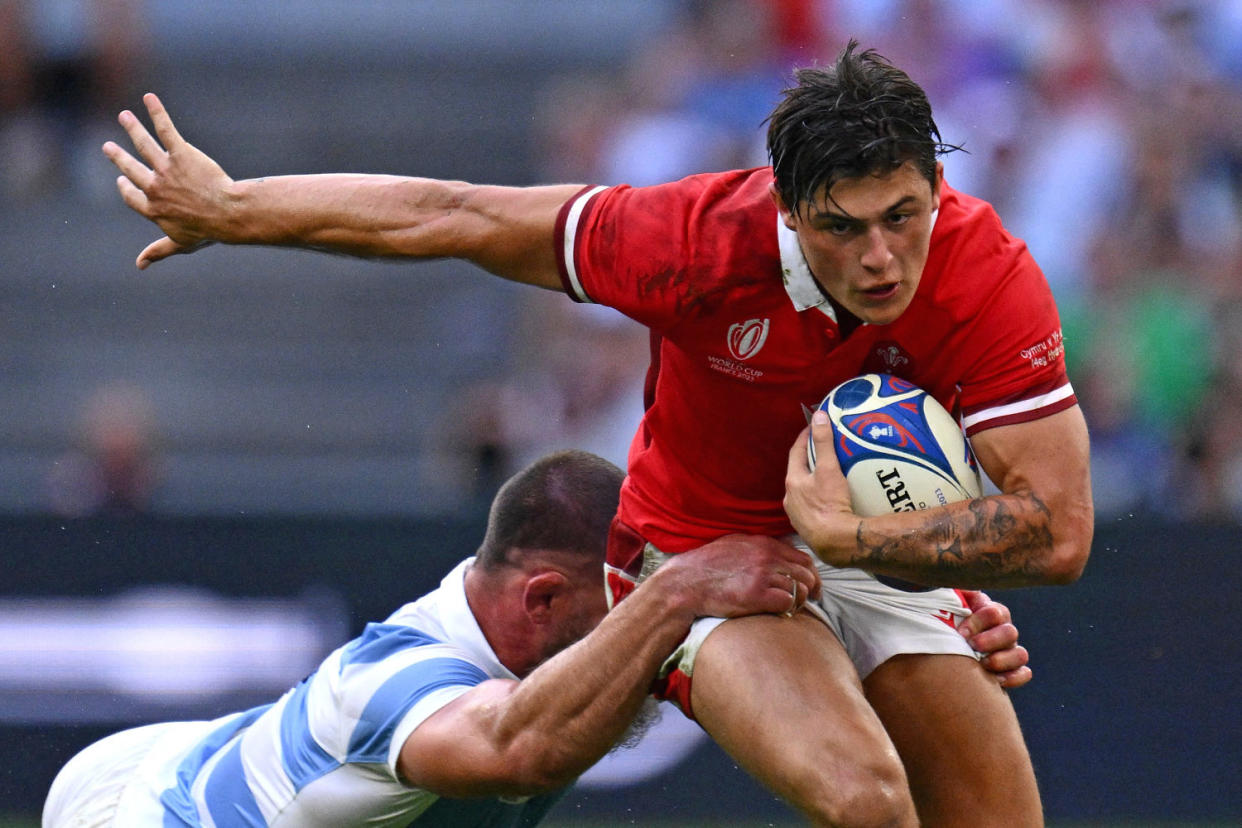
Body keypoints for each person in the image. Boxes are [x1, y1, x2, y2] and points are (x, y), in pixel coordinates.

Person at [102, 40, 1086, 826]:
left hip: (855, 549)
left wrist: (869, 550)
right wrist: (235, 209)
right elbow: (454, 215)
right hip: (692, 558)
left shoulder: (984, 272)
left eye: (904, 214)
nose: (881, 258)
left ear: (935, 184)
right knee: (867, 798)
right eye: (842, 227)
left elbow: (1060, 533)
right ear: (786, 211)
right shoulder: (694, 241)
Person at [41, 449, 1028, 826]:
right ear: (544, 602)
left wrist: (941, 641)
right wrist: (672, 596)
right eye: (632, 606)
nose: (660, 646)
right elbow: (520, 744)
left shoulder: (557, 640)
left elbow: (769, 645)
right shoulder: (399, 682)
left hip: (182, 762)